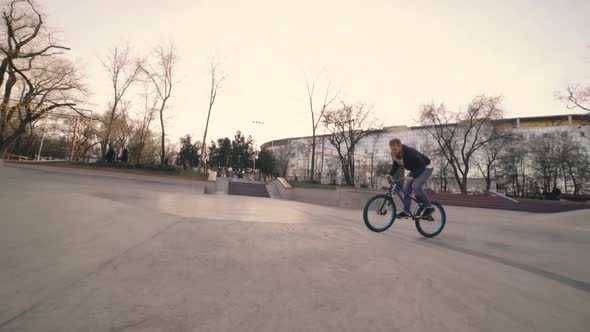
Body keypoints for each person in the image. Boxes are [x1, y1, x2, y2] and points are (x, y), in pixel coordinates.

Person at [389, 138, 435, 218]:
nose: (394, 152)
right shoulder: (393, 155)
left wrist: (412, 176)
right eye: (392, 149)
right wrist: (390, 175)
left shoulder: (409, 153)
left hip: (426, 167)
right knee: (406, 189)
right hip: (415, 169)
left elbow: (422, 165)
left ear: (400, 146)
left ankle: (429, 207)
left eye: (395, 149)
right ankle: (406, 212)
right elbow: (396, 165)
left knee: (416, 186)